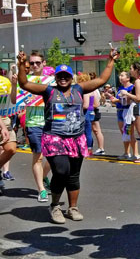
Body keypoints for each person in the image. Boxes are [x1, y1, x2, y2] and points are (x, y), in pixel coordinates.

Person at [17, 48, 118, 223]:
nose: (63, 78)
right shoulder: (49, 91)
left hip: (76, 139)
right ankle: (55, 205)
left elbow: (102, 80)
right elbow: (24, 84)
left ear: (71, 78)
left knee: (73, 175)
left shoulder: (79, 89)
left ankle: (72, 207)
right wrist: (20, 65)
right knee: (61, 171)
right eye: (60, 76)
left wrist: (110, 60)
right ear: (55, 77)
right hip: (55, 138)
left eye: (66, 76)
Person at [10, 51, 52, 202]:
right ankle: (41, 189)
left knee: (55, 157)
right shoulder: (25, 80)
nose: (34, 66)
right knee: (38, 157)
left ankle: (44, 176)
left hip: (51, 123)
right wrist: (14, 85)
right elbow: (14, 100)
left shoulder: (51, 81)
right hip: (33, 123)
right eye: (32, 63)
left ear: (43, 63)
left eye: (37, 63)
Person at [123, 62, 140, 163]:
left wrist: (127, 94)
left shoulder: (138, 82)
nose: (130, 71)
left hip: (139, 106)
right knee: (139, 132)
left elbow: (138, 98)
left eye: (131, 68)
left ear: (136, 70)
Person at [106, 71, 134, 160]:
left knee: (128, 132)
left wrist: (117, 101)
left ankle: (134, 153)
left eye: (122, 75)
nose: (120, 77)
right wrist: (112, 98)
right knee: (123, 133)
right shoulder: (120, 88)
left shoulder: (131, 87)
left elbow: (128, 100)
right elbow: (119, 99)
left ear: (128, 78)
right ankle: (126, 152)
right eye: (120, 75)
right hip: (119, 111)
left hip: (127, 111)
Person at [0, 75, 17, 194]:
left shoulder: (4, 81)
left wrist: (15, 85)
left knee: (11, 149)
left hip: (4, 118)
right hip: (2, 122)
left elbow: (13, 101)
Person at [87, 72, 106, 155]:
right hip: (93, 110)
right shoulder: (95, 89)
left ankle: (101, 148)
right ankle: (100, 147)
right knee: (95, 130)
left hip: (93, 111)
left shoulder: (93, 90)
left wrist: (89, 108)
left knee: (96, 130)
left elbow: (95, 104)